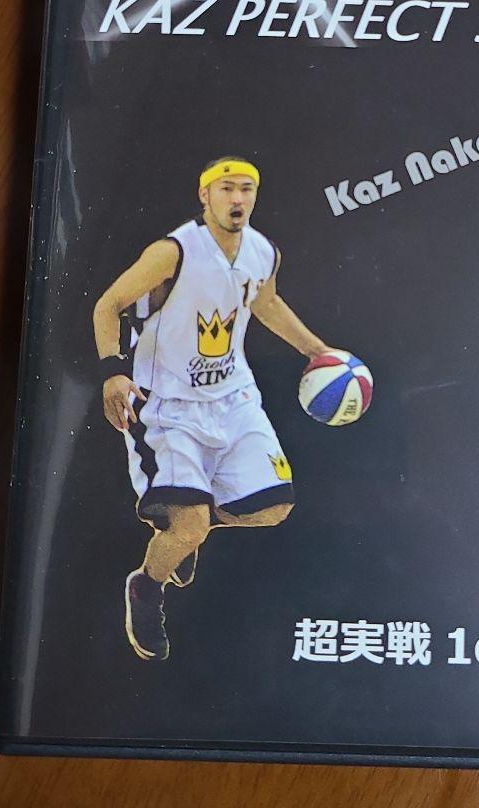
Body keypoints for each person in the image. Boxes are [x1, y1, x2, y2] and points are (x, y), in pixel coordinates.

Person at [93, 156, 333, 661]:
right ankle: (147, 585)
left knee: (275, 507)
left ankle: (189, 526)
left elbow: (266, 304)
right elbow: (108, 304)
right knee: (189, 526)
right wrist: (112, 372)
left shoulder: (263, 252)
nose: (238, 198)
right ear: (205, 196)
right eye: (227, 189)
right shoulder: (174, 251)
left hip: (234, 398)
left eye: (246, 189)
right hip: (168, 404)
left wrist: (317, 351)